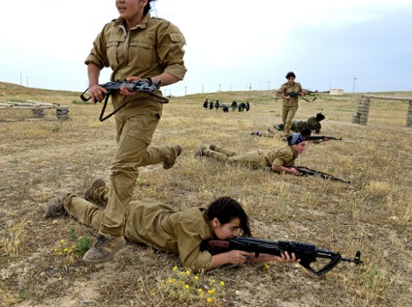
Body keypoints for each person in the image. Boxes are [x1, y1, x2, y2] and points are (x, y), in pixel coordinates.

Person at [82, 0, 187, 264]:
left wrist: (146, 82)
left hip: (145, 105)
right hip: (120, 105)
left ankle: (111, 233)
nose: (119, 1)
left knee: (122, 166)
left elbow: (176, 69)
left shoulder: (162, 29)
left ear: (143, 1)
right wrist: (94, 85)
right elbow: (95, 59)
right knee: (132, 158)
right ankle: (167, 153)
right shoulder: (110, 30)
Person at [45, 192, 298, 272]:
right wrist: (225, 259)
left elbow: (240, 251)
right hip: (135, 222)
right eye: (232, 228)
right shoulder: (192, 226)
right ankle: (67, 199)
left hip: (152, 212)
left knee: (115, 198)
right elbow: (191, 263)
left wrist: (275, 256)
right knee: (97, 217)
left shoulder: (213, 226)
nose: (235, 234)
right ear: (216, 222)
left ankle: (100, 189)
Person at [195, 133, 307, 175]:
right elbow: (275, 166)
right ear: (294, 145)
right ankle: (205, 151)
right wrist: (290, 171)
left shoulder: (291, 151)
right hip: (257, 160)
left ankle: (215, 148)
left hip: (259, 156)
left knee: (235, 155)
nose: (304, 148)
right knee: (229, 161)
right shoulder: (287, 152)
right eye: (302, 145)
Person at [275, 72, 308, 137]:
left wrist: (303, 93)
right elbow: (277, 93)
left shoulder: (298, 85)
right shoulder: (284, 85)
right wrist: (285, 97)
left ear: (294, 78)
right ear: (287, 79)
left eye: (292, 78)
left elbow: (301, 92)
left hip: (293, 106)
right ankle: (289, 130)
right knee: (284, 120)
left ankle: (285, 134)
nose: (291, 80)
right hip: (285, 105)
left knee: (288, 120)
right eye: (289, 79)